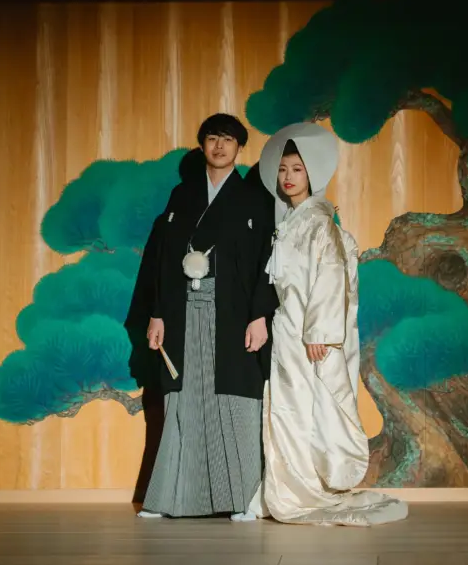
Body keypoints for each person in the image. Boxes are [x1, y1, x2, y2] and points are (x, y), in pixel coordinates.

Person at [245, 121, 407, 526]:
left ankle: (302, 489)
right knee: (287, 408)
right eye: (283, 170)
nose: (288, 177)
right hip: (286, 328)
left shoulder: (318, 221)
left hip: (308, 333)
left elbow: (332, 276)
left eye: (297, 169)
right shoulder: (289, 220)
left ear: (311, 173)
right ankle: (286, 487)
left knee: (303, 408)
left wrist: (318, 332)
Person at [133, 113, 279, 521]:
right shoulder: (182, 196)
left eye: (228, 139)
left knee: (235, 400)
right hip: (183, 310)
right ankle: (167, 499)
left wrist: (259, 315)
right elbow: (162, 260)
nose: (219, 146)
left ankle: (245, 500)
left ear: (239, 148)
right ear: (202, 145)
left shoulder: (254, 199)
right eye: (212, 138)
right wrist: (157, 314)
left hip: (234, 314)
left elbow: (267, 263)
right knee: (181, 399)